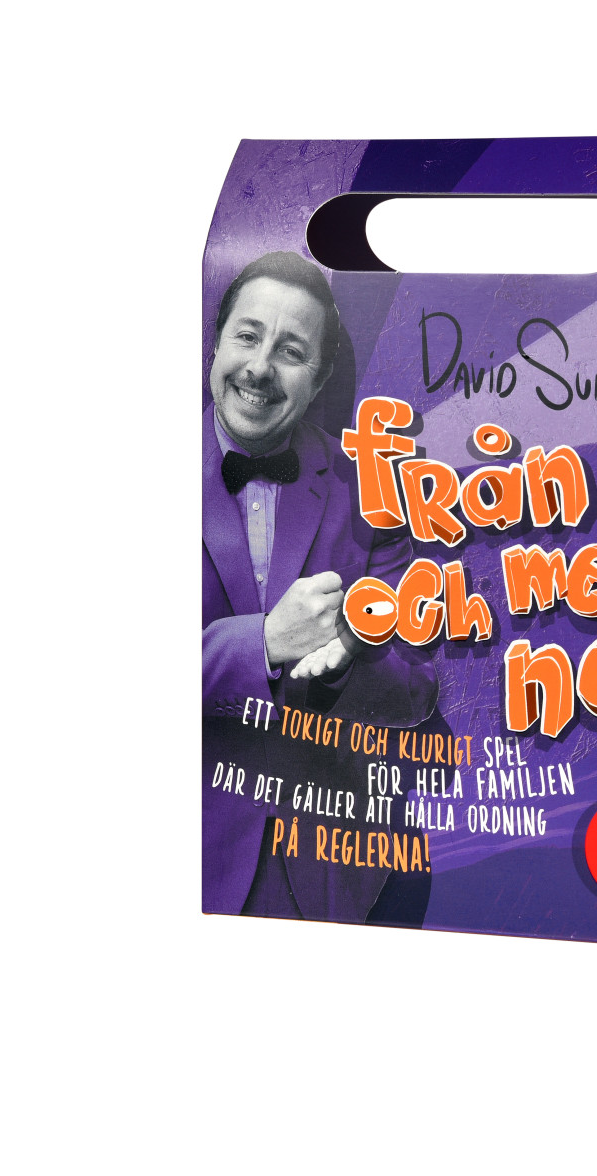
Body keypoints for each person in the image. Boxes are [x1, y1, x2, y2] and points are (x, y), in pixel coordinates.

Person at [202, 251, 438, 922]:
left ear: (320, 379)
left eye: (290, 351)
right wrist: (263, 643)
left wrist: (351, 659)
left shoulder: (371, 489)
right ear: (216, 343)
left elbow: (417, 687)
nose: (259, 368)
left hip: (331, 878)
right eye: (247, 336)